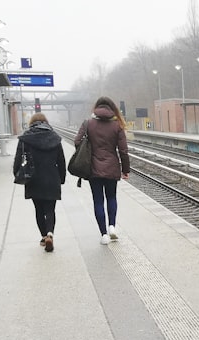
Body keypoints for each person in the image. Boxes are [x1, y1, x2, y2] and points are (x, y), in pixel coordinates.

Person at [75, 96, 130, 245]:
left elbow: (77, 141)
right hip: (112, 167)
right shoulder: (117, 125)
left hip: (93, 168)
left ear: (96, 108)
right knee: (111, 197)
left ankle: (104, 234)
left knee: (98, 200)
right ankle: (112, 226)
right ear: (112, 109)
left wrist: (88, 150)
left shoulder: (88, 123)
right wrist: (126, 169)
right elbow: (123, 150)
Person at [14, 112, 66, 252]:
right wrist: (61, 178)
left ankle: (43, 236)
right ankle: (50, 233)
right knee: (50, 209)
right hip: (51, 178)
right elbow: (61, 160)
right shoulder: (54, 137)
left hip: (33, 178)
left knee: (38, 209)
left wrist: (17, 174)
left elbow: (18, 158)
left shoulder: (26, 138)